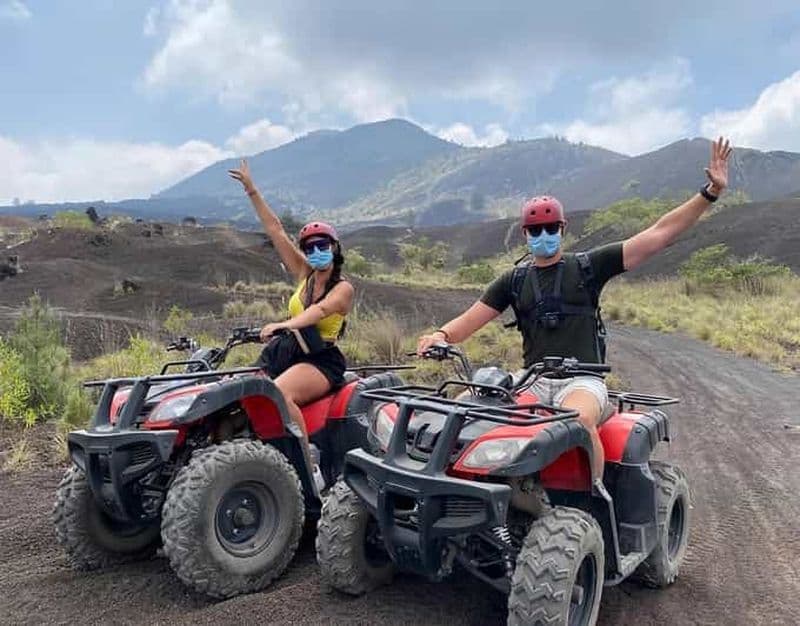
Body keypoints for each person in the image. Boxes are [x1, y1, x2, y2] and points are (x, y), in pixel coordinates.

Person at [418, 137, 732, 482]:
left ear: (562, 229)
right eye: (535, 229)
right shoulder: (513, 280)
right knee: (471, 407)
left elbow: (659, 234)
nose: (543, 234)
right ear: (525, 234)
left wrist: (710, 193)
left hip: (582, 381)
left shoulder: (588, 267)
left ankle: (594, 495)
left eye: (550, 227)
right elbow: (469, 321)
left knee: (576, 421)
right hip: (533, 380)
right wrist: (440, 335)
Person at [228, 159, 354, 448]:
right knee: (237, 393)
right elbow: (276, 230)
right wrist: (251, 190)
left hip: (320, 359)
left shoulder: (343, 288)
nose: (317, 251)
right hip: (286, 352)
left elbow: (319, 311)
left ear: (334, 247)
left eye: (323, 245)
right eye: (310, 247)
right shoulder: (304, 273)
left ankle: (306, 460)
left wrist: (282, 324)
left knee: (279, 394)